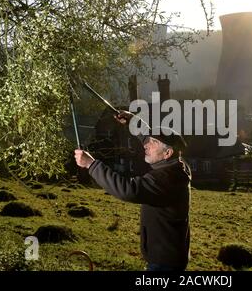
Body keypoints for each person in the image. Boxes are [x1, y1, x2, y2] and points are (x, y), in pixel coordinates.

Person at [74, 110, 191, 271]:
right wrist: (134, 122)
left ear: (167, 153)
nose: (145, 144)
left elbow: (127, 190)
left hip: (164, 263)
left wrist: (91, 164)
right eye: (148, 140)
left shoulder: (166, 179)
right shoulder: (176, 164)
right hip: (167, 257)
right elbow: (149, 137)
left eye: (153, 143)